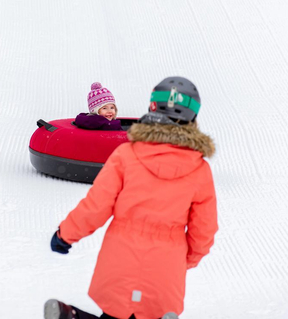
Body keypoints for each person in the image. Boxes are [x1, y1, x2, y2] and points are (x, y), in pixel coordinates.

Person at [45, 76, 218, 319]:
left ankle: (73, 316)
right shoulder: (199, 169)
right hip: (166, 264)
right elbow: (205, 228)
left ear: (152, 107)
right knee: (152, 310)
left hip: (120, 258)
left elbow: (97, 204)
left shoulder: (126, 155)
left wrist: (66, 234)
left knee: (116, 312)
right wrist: (186, 259)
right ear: (193, 117)